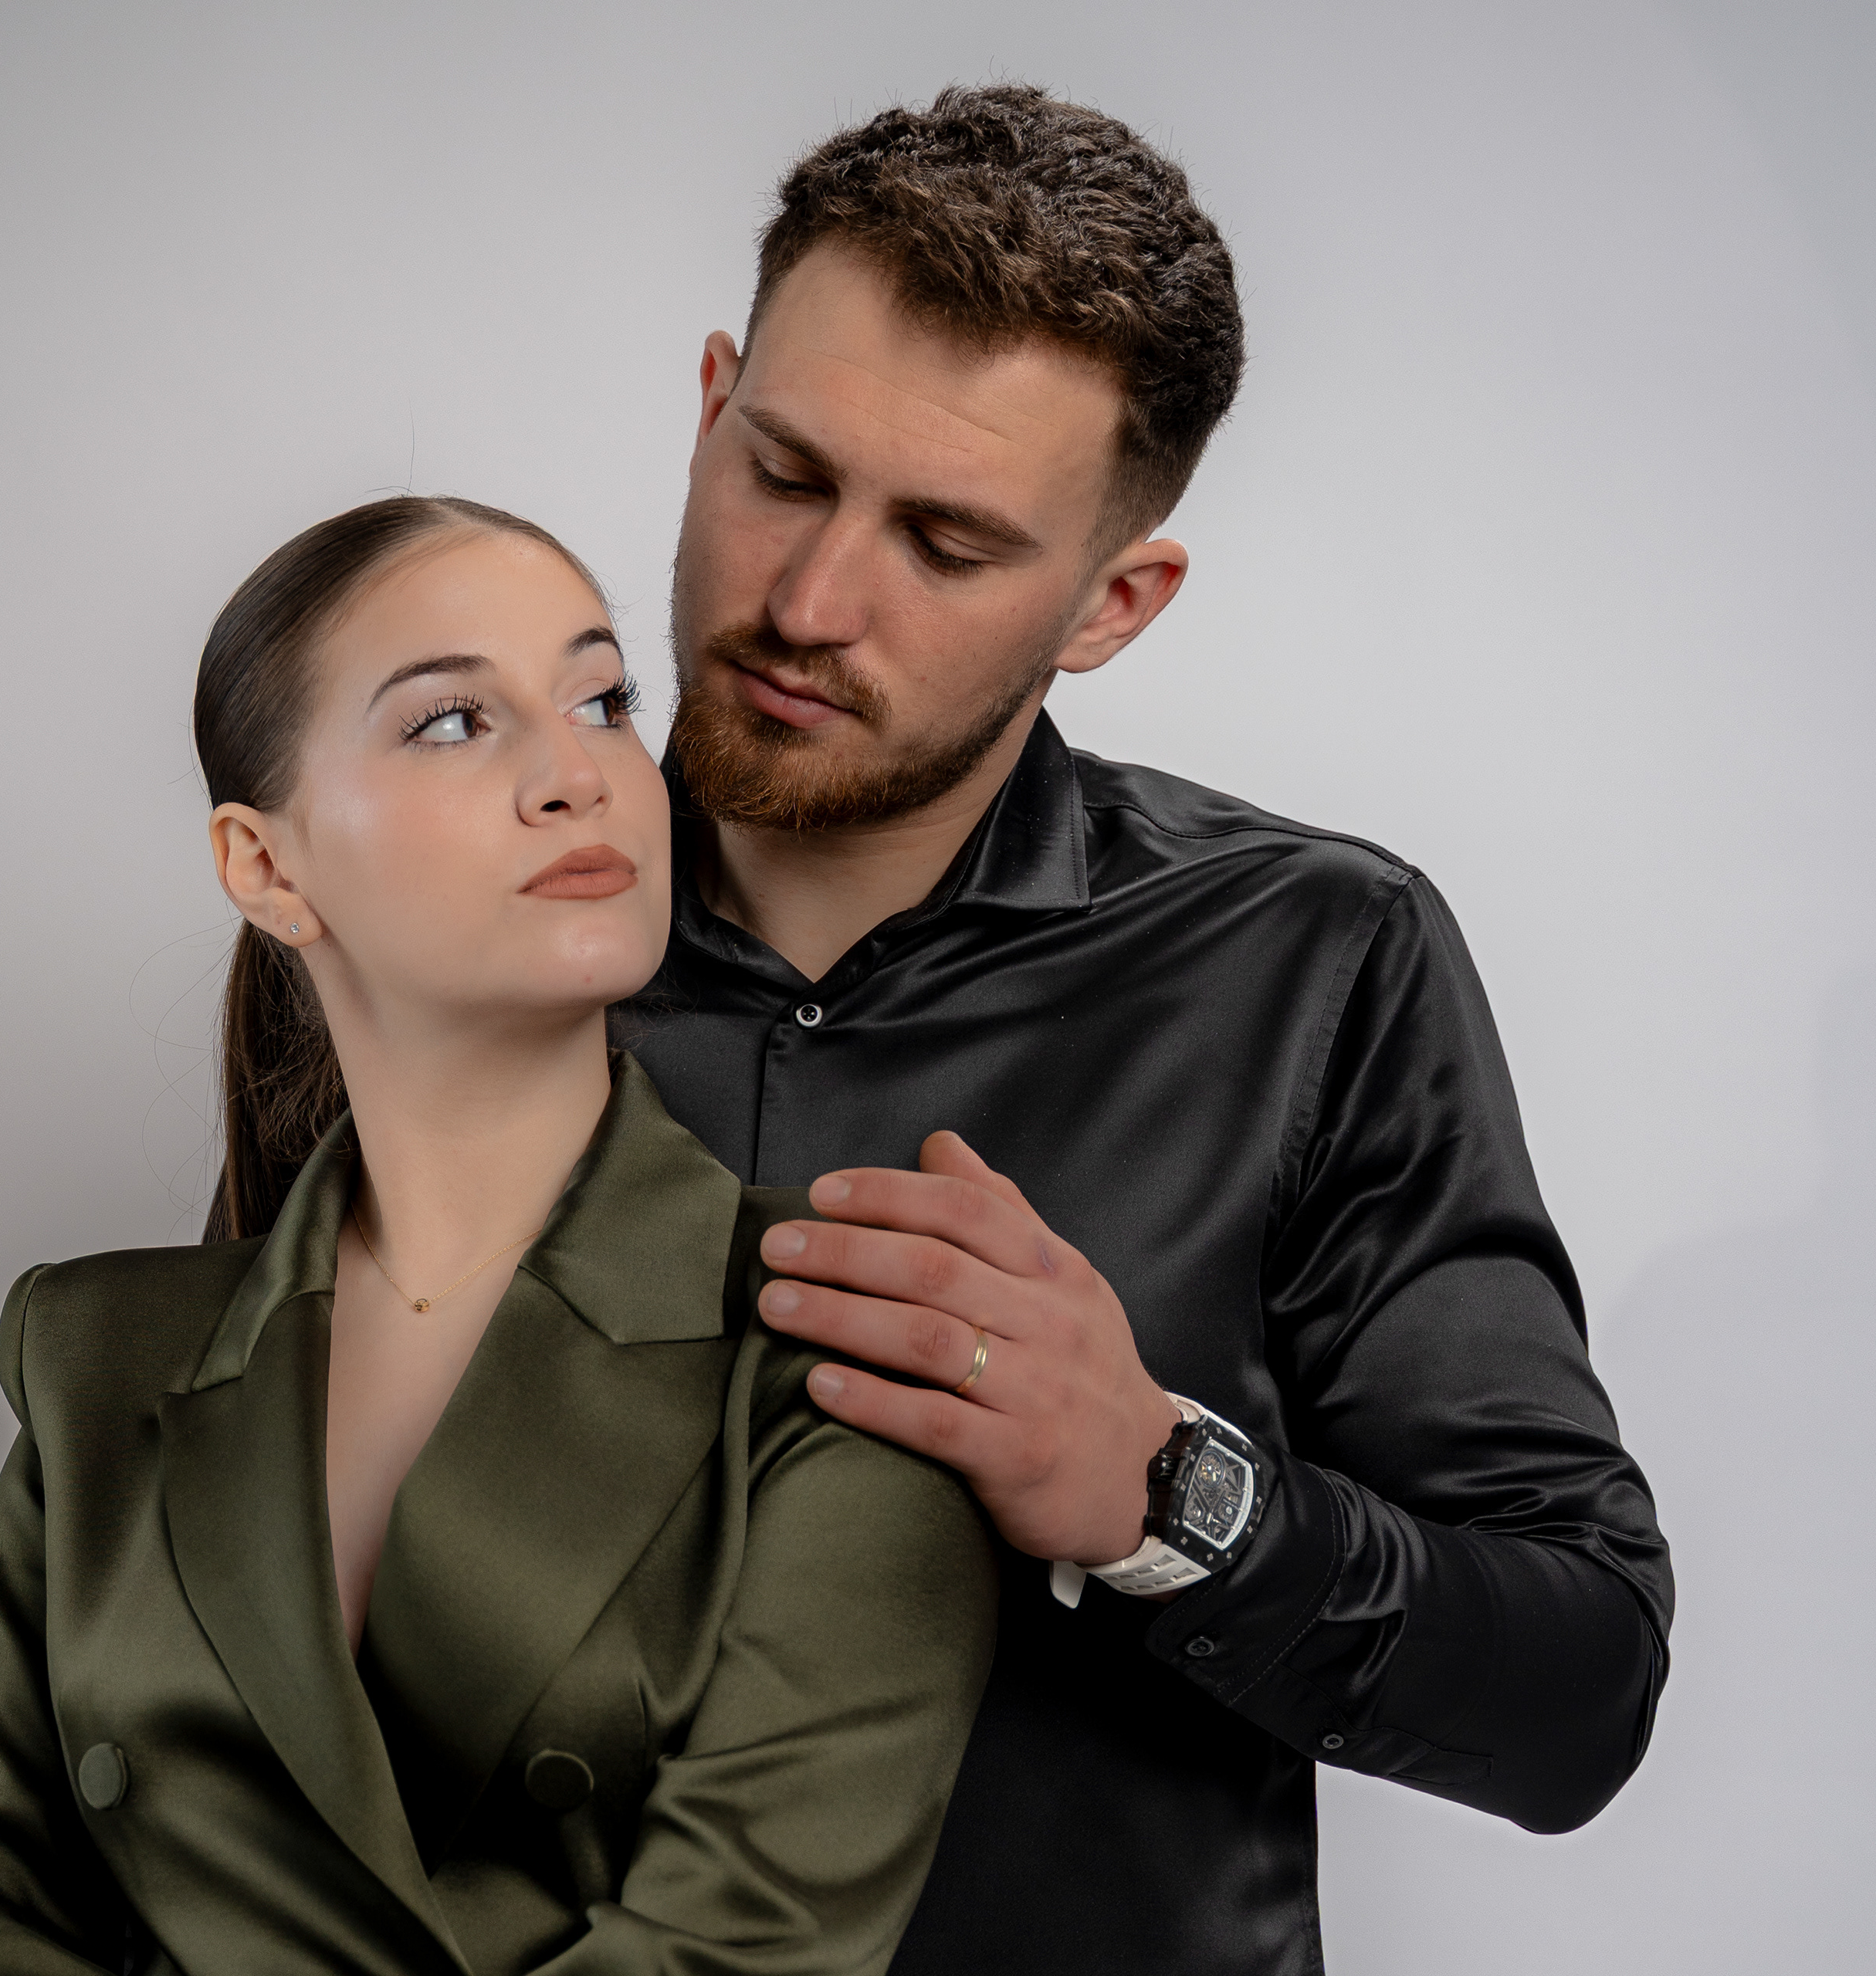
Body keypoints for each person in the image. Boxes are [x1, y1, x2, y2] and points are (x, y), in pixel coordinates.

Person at [619, 85, 1675, 1974]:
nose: (809, 601)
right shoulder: (429, 915)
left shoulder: (1321, 960)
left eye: (947, 543)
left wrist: (1161, 1486)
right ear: (711, 406)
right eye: (783, 472)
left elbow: (1579, 1692)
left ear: (1114, 600)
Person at [0, 496, 1001, 1975]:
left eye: (603, 699)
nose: (576, 776)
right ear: (266, 867)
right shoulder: (98, 1356)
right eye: (452, 723)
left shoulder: (839, 1334)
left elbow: (736, 1960)